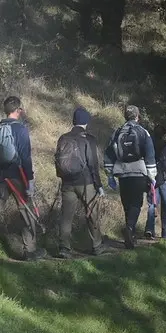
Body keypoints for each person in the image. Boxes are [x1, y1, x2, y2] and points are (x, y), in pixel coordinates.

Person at [0, 96, 45, 261]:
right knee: (26, 210)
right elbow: (25, 157)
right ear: (18, 110)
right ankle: (30, 250)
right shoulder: (20, 130)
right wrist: (30, 180)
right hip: (17, 176)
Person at [54, 107, 107, 258]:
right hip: (86, 183)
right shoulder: (89, 139)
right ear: (86, 122)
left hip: (67, 183)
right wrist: (99, 185)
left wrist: (62, 177)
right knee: (92, 214)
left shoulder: (63, 138)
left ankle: (64, 247)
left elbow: (57, 160)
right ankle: (96, 246)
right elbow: (93, 164)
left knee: (66, 216)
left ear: (73, 121)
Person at [104, 104, 157, 248]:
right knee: (136, 203)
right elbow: (150, 155)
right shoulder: (143, 132)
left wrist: (110, 175)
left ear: (125, 116)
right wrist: (152, 177)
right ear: (138, 116)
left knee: (126, 203)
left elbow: (109, 154)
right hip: (138, 172)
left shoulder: (117, 132)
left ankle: (130, 235)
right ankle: (130, 228)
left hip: (122, 172)